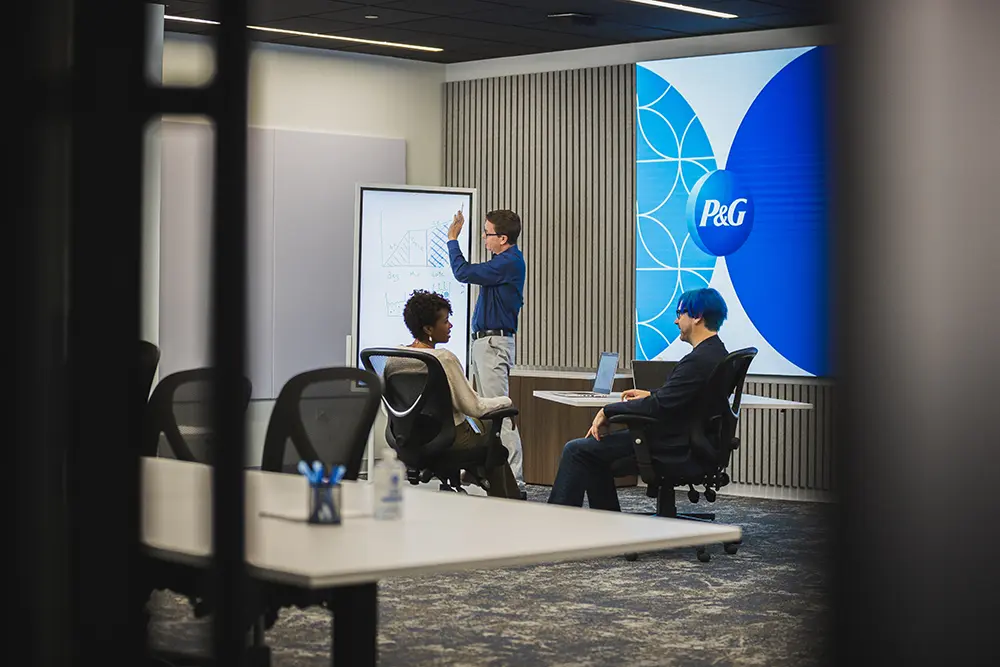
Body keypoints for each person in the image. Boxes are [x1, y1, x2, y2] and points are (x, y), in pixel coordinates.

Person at [547, 288, 730, 511]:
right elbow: (681, 398)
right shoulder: (718, 355)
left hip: (672, 445)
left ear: (697, 316)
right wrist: (652, 393)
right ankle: (606, 530)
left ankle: (557, 527)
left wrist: (608, 411)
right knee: (592, 454)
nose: (675, 321)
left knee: (576, 450)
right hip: (689, 442)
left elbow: (659, 407)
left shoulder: (697, 362)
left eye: (680, 313)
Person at [384, 289, 521, 499]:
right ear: (429, 328)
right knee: (495, 448)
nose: (450, 326)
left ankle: (480, 479)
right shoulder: (444, 358)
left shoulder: (394, 358)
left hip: (408, 437)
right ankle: (507, 504)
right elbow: (474, 407)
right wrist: (506, 401)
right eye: (445, 321)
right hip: (450, 438)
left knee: (487, 439)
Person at [447, 208, 527, 498]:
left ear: (503, 238)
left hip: (493, 345)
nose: (483, 237)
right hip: (485, 344)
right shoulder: (502, 262)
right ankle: (487, 470)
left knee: (498, 412)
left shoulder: (508, 263)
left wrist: (452, 239)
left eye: (487, 233)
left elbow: (463, 272)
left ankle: (513, 478)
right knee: (480, 410)